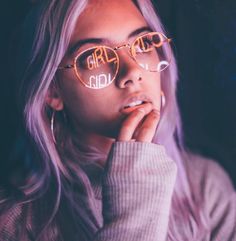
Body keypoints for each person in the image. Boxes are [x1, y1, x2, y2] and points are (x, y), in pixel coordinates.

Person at [0, 0, 235, 240]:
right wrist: (134, 205)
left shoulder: (206, 188)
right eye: (94, 58)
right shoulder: (16, 222)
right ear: (52, 91)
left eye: (143, 43)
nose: (132, 72)